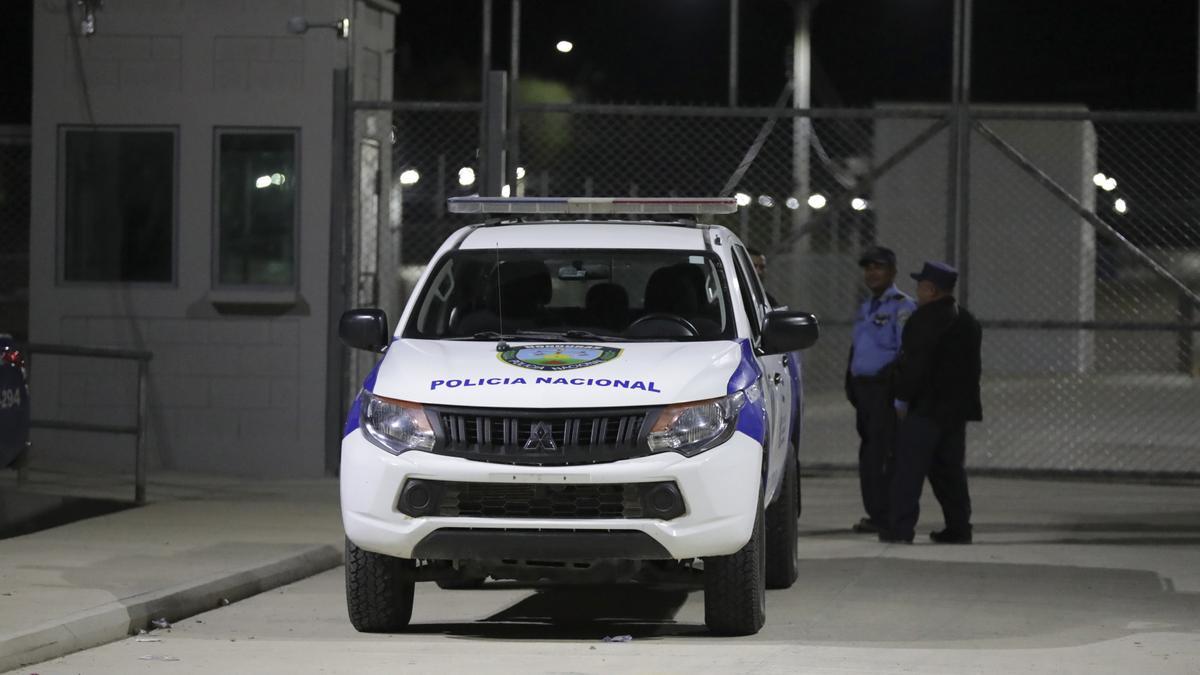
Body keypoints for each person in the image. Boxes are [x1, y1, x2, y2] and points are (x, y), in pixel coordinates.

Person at [881, 261, 983, 545]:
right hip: (955, 412)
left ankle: (900, 530)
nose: (918, 290)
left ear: (931, 289)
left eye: (921, 285)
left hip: (925, 410)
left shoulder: (922, 319)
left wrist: (902, 398)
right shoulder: (967, 320)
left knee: (908, 471)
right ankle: (959, 527)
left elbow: (914, 366)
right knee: (949, 471)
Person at [845, 246, 915, 535]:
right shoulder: (867, 306)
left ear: (893, 272)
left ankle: (886, 514)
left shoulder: (902, 306)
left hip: (884, 390)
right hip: (865, 392)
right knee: (870, 453)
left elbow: (906, 353)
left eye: (879, 267)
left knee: (883, 455)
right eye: (868, 268)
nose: (872, 273)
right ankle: (876, 512)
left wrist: (899, 396)